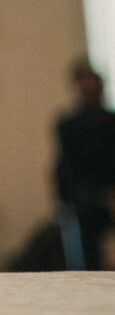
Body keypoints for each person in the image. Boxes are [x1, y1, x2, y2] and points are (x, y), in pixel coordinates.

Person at [54, 58, 115, 268]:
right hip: (88, 198)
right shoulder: (68, 126)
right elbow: (70, 172)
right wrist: (102, 196)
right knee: (81, 220)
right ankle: (88, 274)